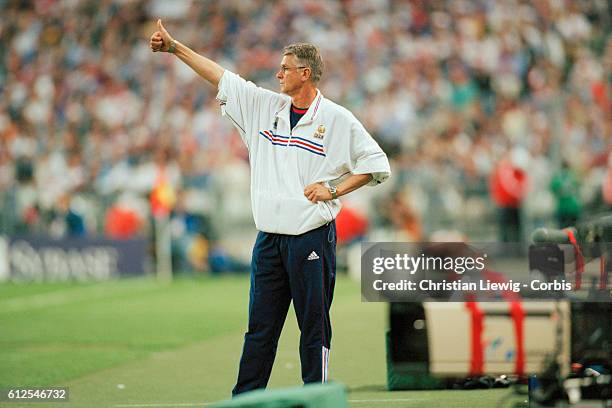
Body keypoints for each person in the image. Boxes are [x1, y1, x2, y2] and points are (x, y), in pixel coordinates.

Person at [150, 19, 391, 395]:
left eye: (285, 68)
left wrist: (335, 190)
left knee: (313, 327)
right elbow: (220, 77)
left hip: (310, 237)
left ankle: (318, 396)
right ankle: (244, 400)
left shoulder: (337, 119)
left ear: (305, 73)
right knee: (260, 328)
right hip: (269, 242)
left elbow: (377, 166)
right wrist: (175, 48)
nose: (277, 73)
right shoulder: (265, 106)